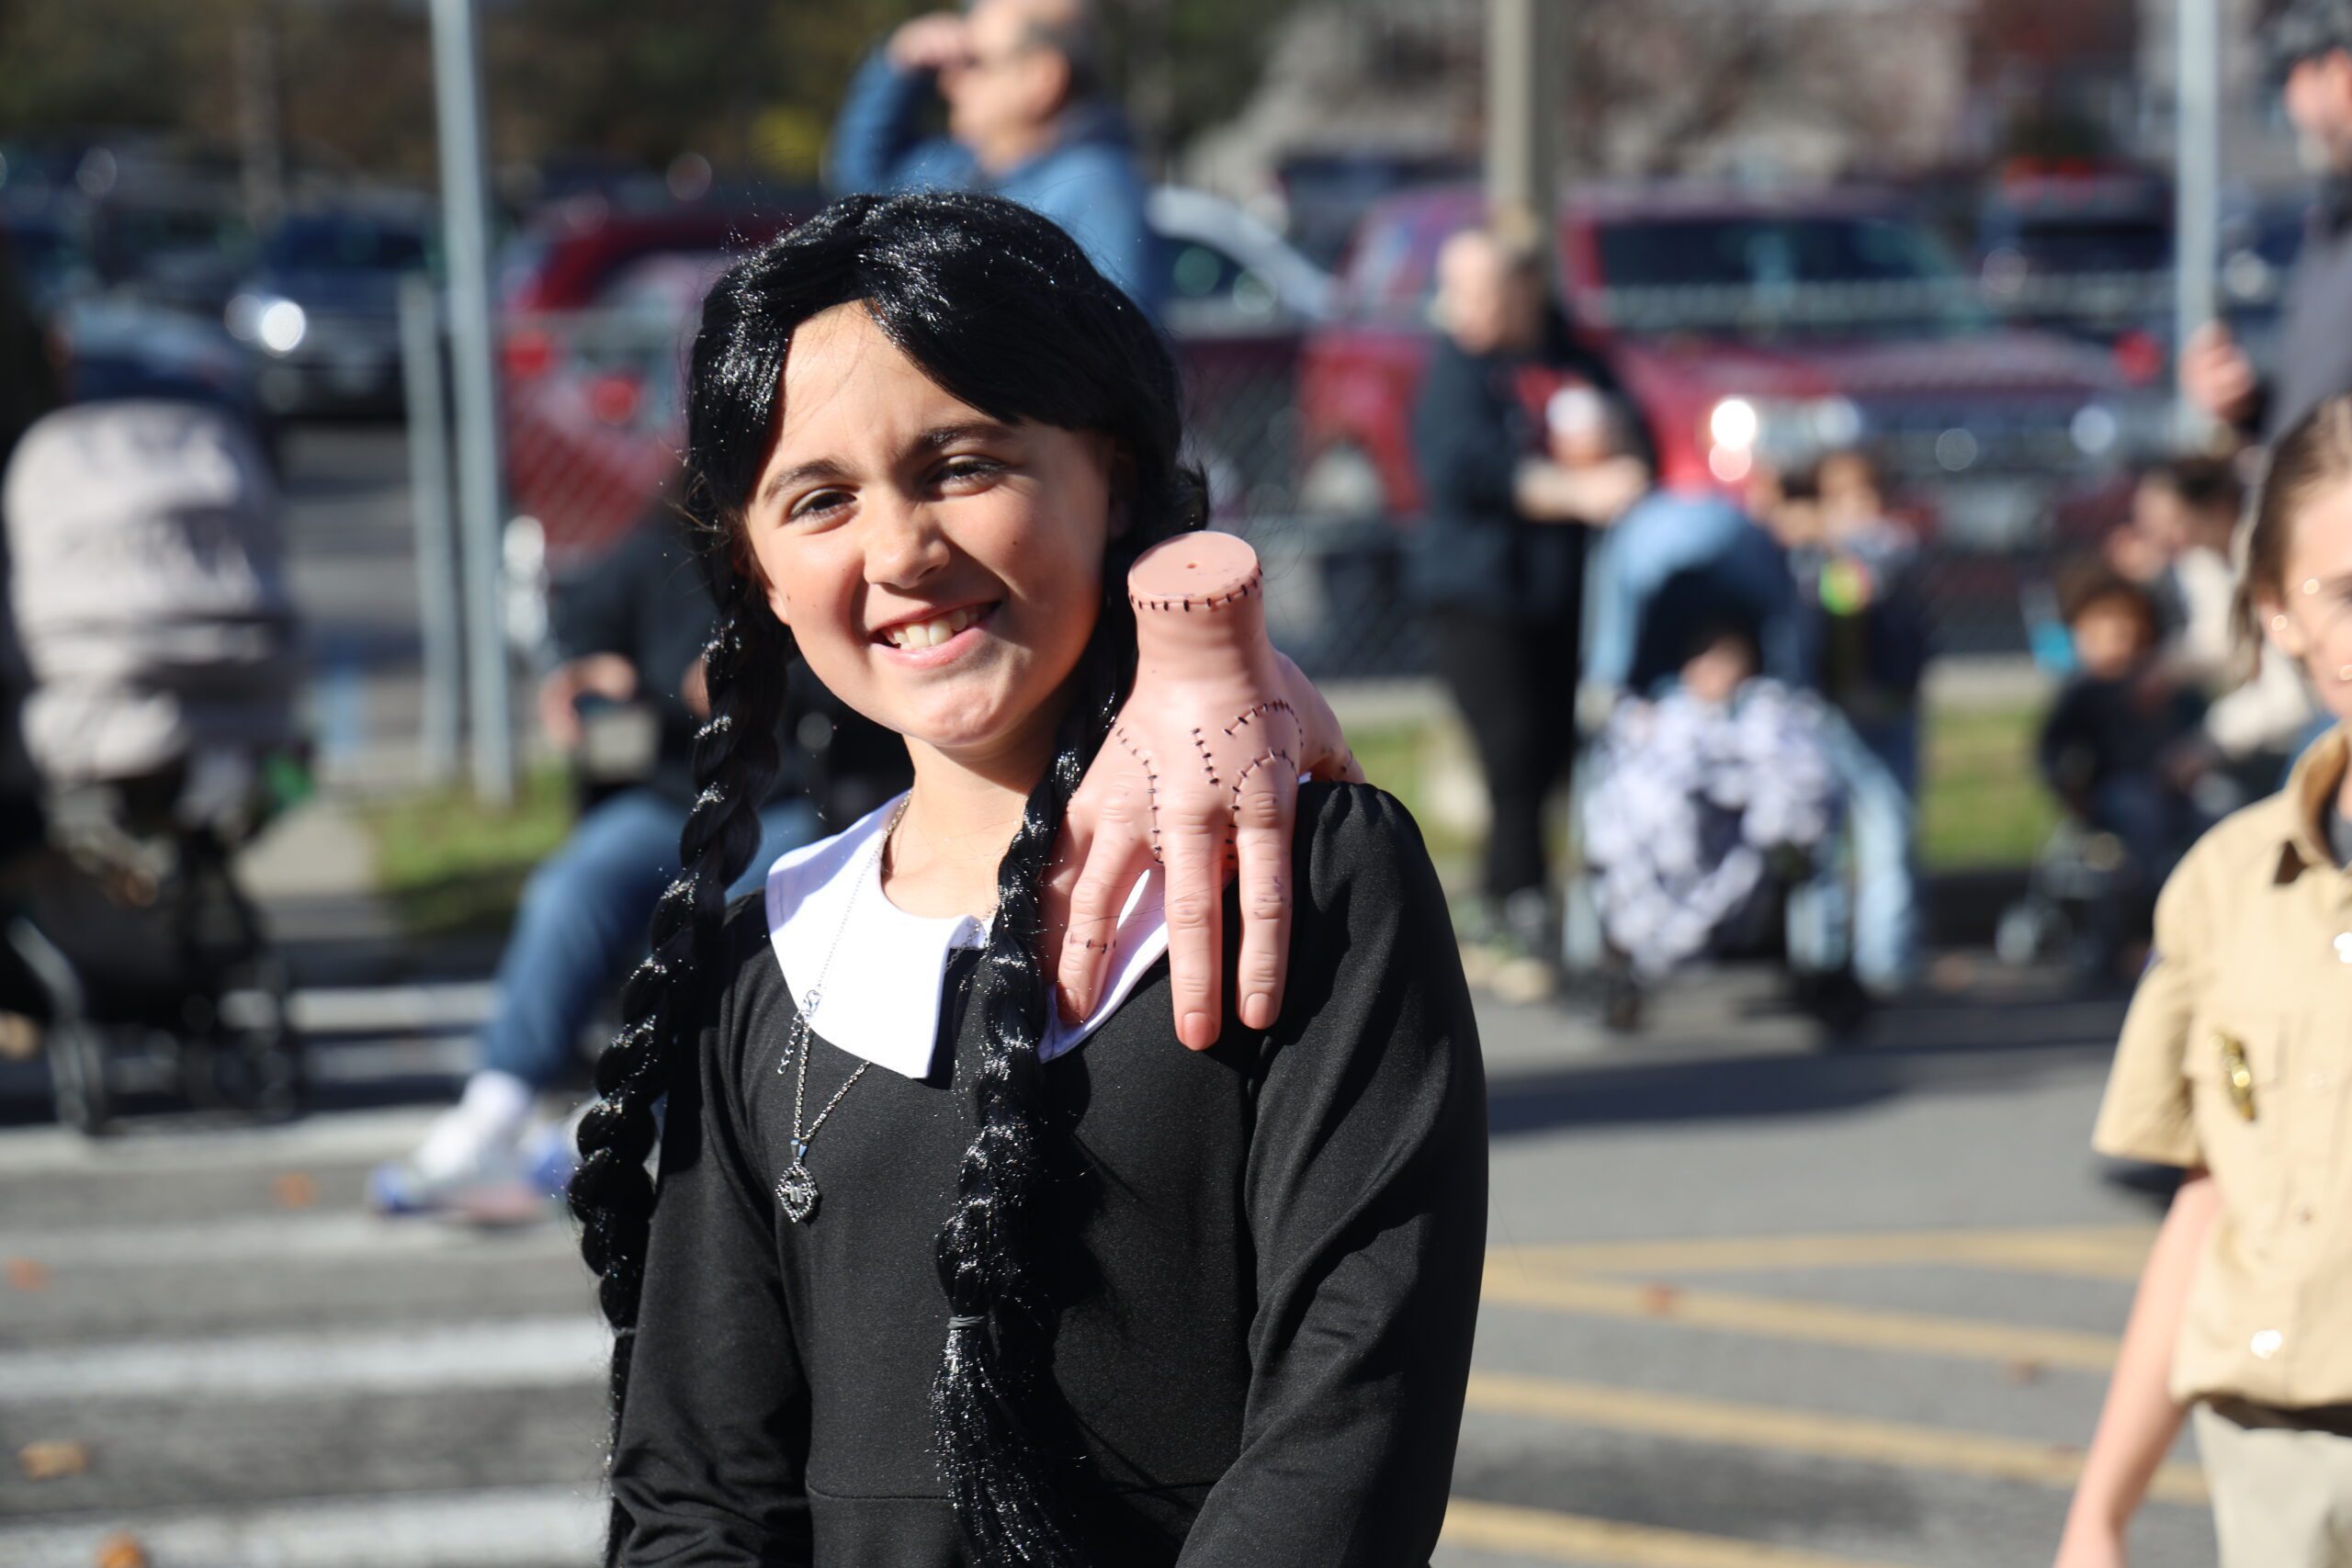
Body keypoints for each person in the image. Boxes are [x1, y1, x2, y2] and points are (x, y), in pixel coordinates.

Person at [571, 191, 1486, 1564]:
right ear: (752, 568)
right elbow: (696, 1495)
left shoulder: (1307, 878)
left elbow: (1352, 1417)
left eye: (961, 464)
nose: (900, 552)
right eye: (817, 499)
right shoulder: (768, 962)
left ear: (1110, 471)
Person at [2053, 392, 2352, 1568]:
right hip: (2269, 1456)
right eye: (2345, 592)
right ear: (2278, 614)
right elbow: (2205, 1200)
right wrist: (2100, 1511)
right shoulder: (2224, 889)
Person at [368, 513, 861, 1214]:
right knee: (572, 885)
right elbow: (582, 623)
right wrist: (589, 665)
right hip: (671, 798)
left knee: (739, 916)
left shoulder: (816, 547)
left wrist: (764, 674)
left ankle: (628, 1114)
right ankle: (494, 1108)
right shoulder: (661, 546)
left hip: (785, 798)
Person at [1408, 225, 1649, 992]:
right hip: (1478, 594)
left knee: (1549, 753)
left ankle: (1526, 908)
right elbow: (1465, 469)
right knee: (1509, 752)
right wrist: (1573, 490)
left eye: (1483, 290)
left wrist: (1618, 450)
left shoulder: (1567, 356)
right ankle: (1510, 914)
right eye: (1457, 288)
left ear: (1524, 290)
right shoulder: (1455, 371)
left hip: (1559, 592)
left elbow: (1633, 433)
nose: (1463, 306)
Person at [827, 0, 1158, 317]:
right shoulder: (967, 167)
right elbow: (863, 185)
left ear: (1041, 78)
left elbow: (1119, 357)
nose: (949, 83)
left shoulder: (1095, 190)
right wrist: (900, 63)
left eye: (974, 62)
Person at [2181, 0, 2352, 446]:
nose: (2288, 107)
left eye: (2290, 79)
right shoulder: (2333, 223)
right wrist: (2252, 405)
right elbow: (2325, 404)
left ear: (2338, 76)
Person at [2037, 565, 2215, 919]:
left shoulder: (2167, 684)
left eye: (2131, 620)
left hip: (2177, 787)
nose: (2123, 631)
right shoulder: (2085, 692)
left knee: (2219, 809)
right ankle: (2148, 917)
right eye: (2107, 621)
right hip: (2116, 792)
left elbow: (2203, 731)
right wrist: (2071, 790)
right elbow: (2053, 750)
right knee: (2138, 813)